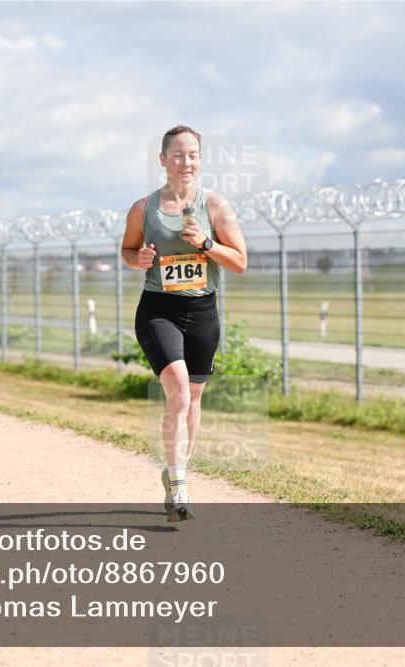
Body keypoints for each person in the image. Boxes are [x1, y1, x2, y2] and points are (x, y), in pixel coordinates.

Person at [122, 125, 248, 521]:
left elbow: (241, 262)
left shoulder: (215, 207)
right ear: (162, 160)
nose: (186, 161)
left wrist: (206, 245)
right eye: (177, 154)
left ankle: (176, 469)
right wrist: (137, 259)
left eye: (192, 154)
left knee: (193, 400)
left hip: (202, 313)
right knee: (177, 393)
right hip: (159, 309)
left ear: (200, 159)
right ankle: (179, 487)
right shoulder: (143, 208)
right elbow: (128, 250)